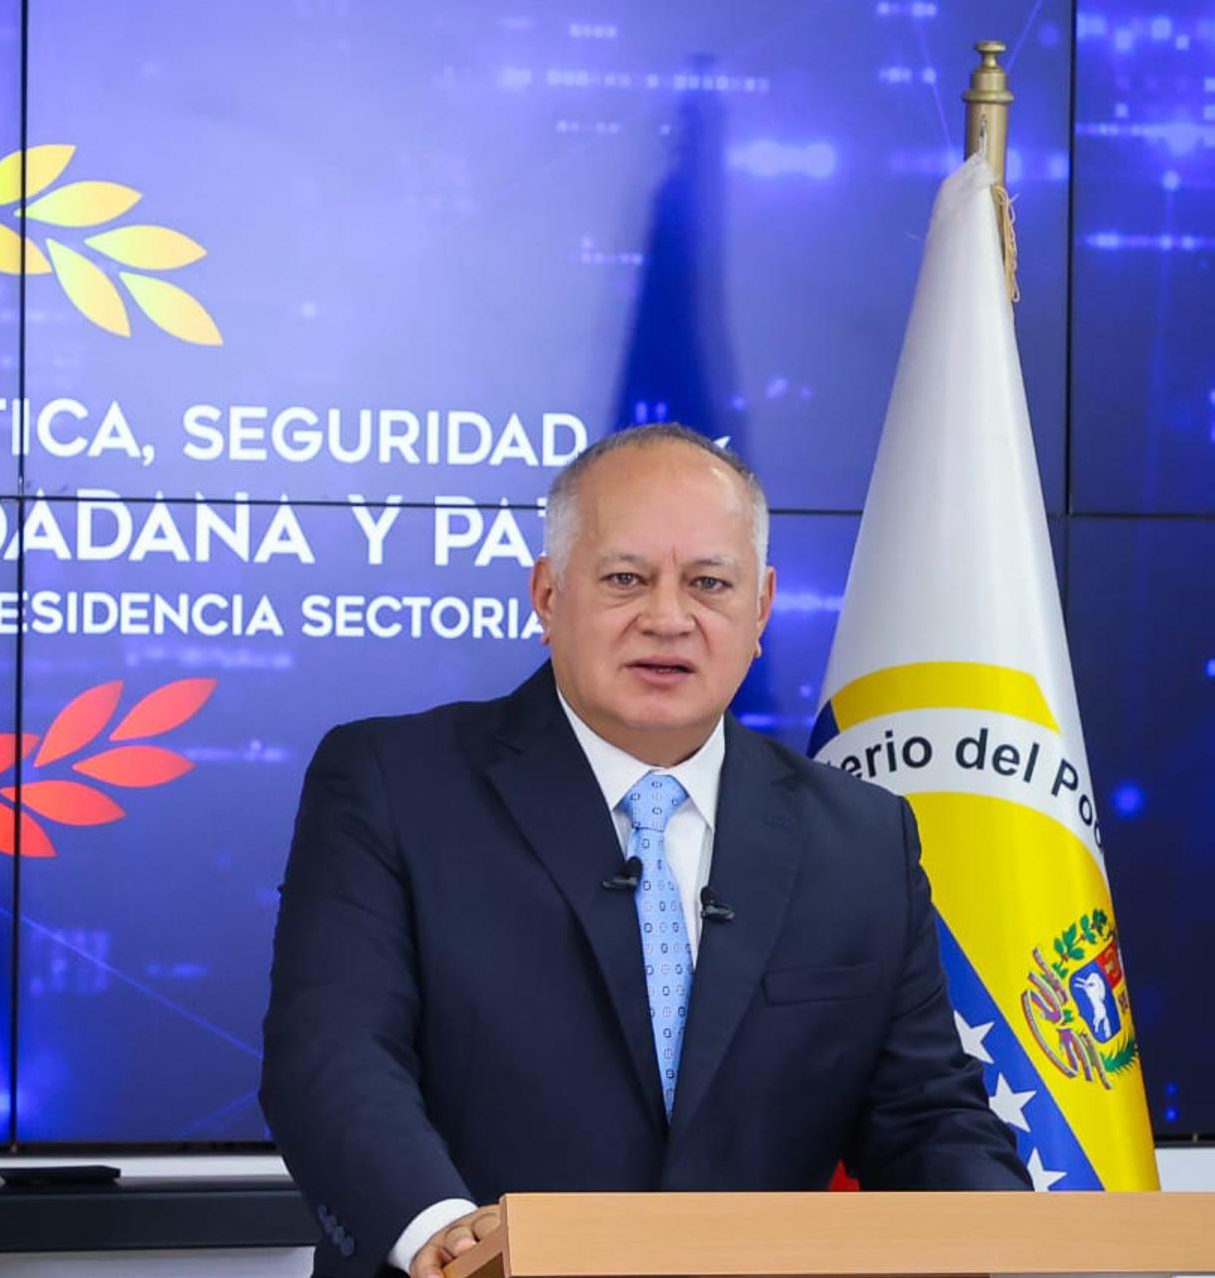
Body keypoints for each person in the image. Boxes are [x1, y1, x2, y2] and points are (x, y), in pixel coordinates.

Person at [259, 425, 1028, 1278]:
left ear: (762, 608)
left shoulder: (862, 838)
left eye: (709, 583)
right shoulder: (392, 783)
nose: (668, 618)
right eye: (626, 579)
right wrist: (450, 1242)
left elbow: (924, 1113)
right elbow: (333, 1057)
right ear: (548, 596)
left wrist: (1007, 1235)